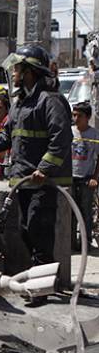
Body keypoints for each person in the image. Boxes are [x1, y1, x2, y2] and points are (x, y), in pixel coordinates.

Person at [0, 44, 73, 272]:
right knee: (26, 231)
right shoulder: (21, 104)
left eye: (16, 69)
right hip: (25, 179)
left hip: (43, 181)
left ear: (29, 71)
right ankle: (40, 278)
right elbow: (6, 137)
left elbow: (61, 138)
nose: (13, 74)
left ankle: (43, 285)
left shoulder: (50, 100)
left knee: (38, 232)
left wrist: (44, 168)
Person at [70, 102, 99, 250]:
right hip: (70, 178)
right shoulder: (69, 132)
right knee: (71, 212)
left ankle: (85, 242)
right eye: (74, 115)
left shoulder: (94, 134)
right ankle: (70, 242)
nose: (75, 118)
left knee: (86, 211)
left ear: (87, 117)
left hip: (86, 179)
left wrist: (95, 177)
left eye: (79, 116)